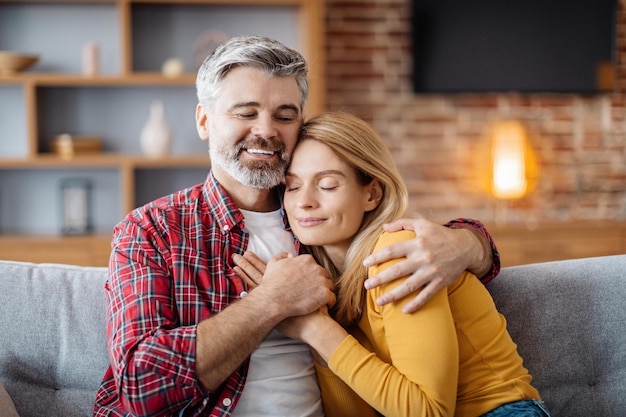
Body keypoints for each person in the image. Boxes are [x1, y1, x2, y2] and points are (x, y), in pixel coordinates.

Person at [93, 35, 500, 416]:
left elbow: (400, 233)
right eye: (246, 112)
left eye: (284, 115)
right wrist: (271, 302)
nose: (266, 129)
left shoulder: (319, 220)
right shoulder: (153, 230)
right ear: (204, 121)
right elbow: (140, 386)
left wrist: (469, 244)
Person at [234, 112, 550, 417]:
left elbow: (428, 411)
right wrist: (314, 328)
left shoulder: (397, 254)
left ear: (372, 193)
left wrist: (315, 330)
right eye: (292, 186)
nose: (304, 201)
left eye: (328, 185)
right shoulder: (330, 283)